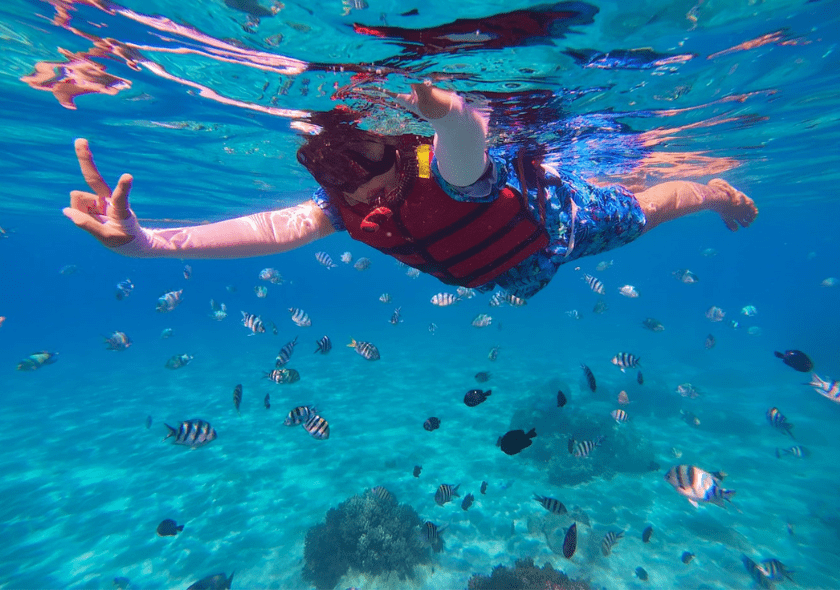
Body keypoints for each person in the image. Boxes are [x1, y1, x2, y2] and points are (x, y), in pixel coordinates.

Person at [63, 82, 758, 299]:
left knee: (650, 209)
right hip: (506, 266)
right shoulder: (352, 204)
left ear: (396, 145)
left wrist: (451, 116)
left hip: (556, 227)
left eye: (361, 157)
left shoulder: (444, 173)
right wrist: (149, 243)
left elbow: (462, 159)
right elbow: (274, 231)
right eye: (328, 170)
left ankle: (713, 189)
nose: (353, 184)